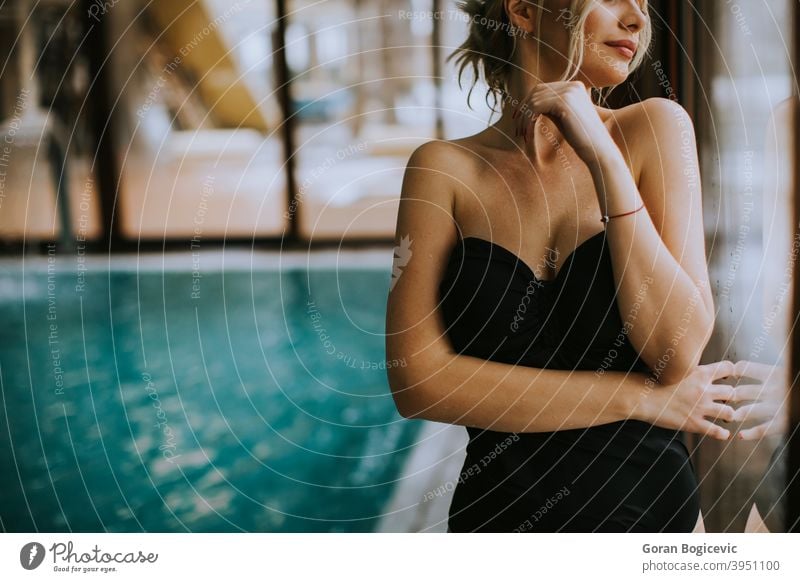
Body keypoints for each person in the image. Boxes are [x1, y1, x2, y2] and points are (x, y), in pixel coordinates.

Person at [385, 0, 755, 532]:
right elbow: (417, 382)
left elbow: (678, 351)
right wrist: (639, 399)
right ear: (523, 11)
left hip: (646, 523)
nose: (637, 18)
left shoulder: (655, 128)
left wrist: (604, 159)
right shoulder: (442, 171)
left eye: (644, 3)